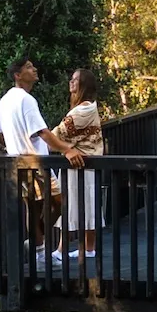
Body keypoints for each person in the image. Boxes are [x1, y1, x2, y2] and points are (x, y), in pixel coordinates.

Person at [0, 58, 85, 259]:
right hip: (37, 163)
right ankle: (38, 242)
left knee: (33, 208)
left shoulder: (5, 100)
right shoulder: (26, 100)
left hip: (18, 163)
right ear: (18, 75)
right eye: (28, 67)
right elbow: (42, 131)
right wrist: (67, 150)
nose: (34, 69)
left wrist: (10, 146)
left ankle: (39, 249)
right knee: (62, 202)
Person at [52, 67, 106, 258]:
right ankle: (88, 248)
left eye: (75, 80)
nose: (71, 82)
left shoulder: (83, 110)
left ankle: (61, 250)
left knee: (70, 204)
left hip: (79, 164)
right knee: (86, 203)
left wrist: (40, 136)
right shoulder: (87, 107)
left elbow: (57, 134)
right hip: (86, 164)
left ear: (84, 85)